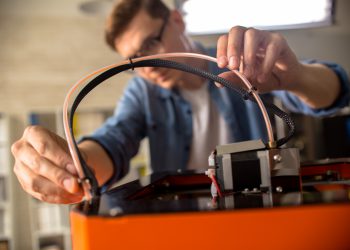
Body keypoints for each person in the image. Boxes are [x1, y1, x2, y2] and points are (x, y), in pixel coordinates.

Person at [11, 0, 350, 204]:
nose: (149, 67)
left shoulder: (242, 67)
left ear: (176, 20)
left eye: (151, 43)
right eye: (135, 61)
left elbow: (335, 94)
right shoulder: (143, 93)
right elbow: (115, 141)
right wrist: (75, 167)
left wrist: (297, 78)